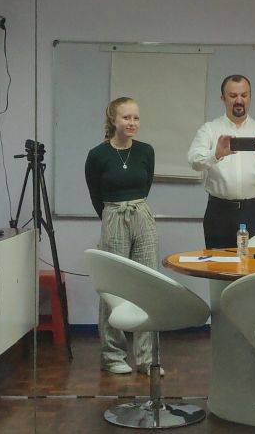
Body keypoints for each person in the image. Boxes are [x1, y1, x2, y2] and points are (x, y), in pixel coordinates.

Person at [85, 97, 157, 374]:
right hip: (113, 215)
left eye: (136, 118)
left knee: (148, 285)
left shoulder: (145, 151)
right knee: (113, 287)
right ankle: (113, 355)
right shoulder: (98, 155)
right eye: (126, 118)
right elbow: (95, 195)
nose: (132, 123)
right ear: (113, 120)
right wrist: (110, 218)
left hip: (141, 214)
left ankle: (146, 358)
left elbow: (145, 184)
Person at [187, 74, 255, 248]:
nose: (239, 100)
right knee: (217, 267)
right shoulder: (210, 129)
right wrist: (215, 154)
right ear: (223, 98)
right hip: (219, 211)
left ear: (250, 97)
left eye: (244, 95)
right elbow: (194, 161)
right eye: (233, 96)